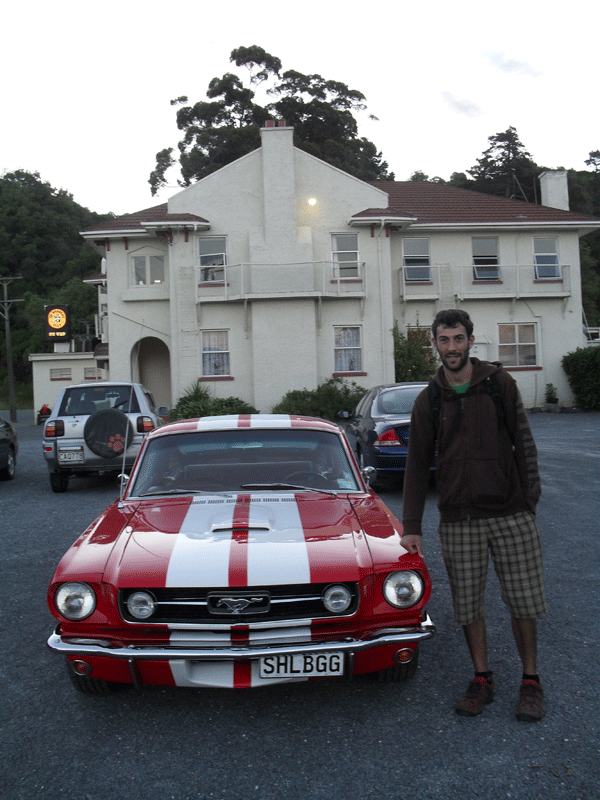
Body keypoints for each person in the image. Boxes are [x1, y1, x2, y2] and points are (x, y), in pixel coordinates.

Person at [401, 309, 546, 722]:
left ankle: (531, 681)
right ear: (435, 343)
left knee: (524, 601)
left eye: (458, 339)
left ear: (470, 340)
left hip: (510, 513)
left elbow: (524, 443)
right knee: (467, 605)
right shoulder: (429, 399)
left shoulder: (499, 384)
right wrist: (412, 526)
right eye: (444, 340)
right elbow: (416, 464)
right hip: (458, 519)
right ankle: (482, 678)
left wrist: (529, 499)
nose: (452, 347)